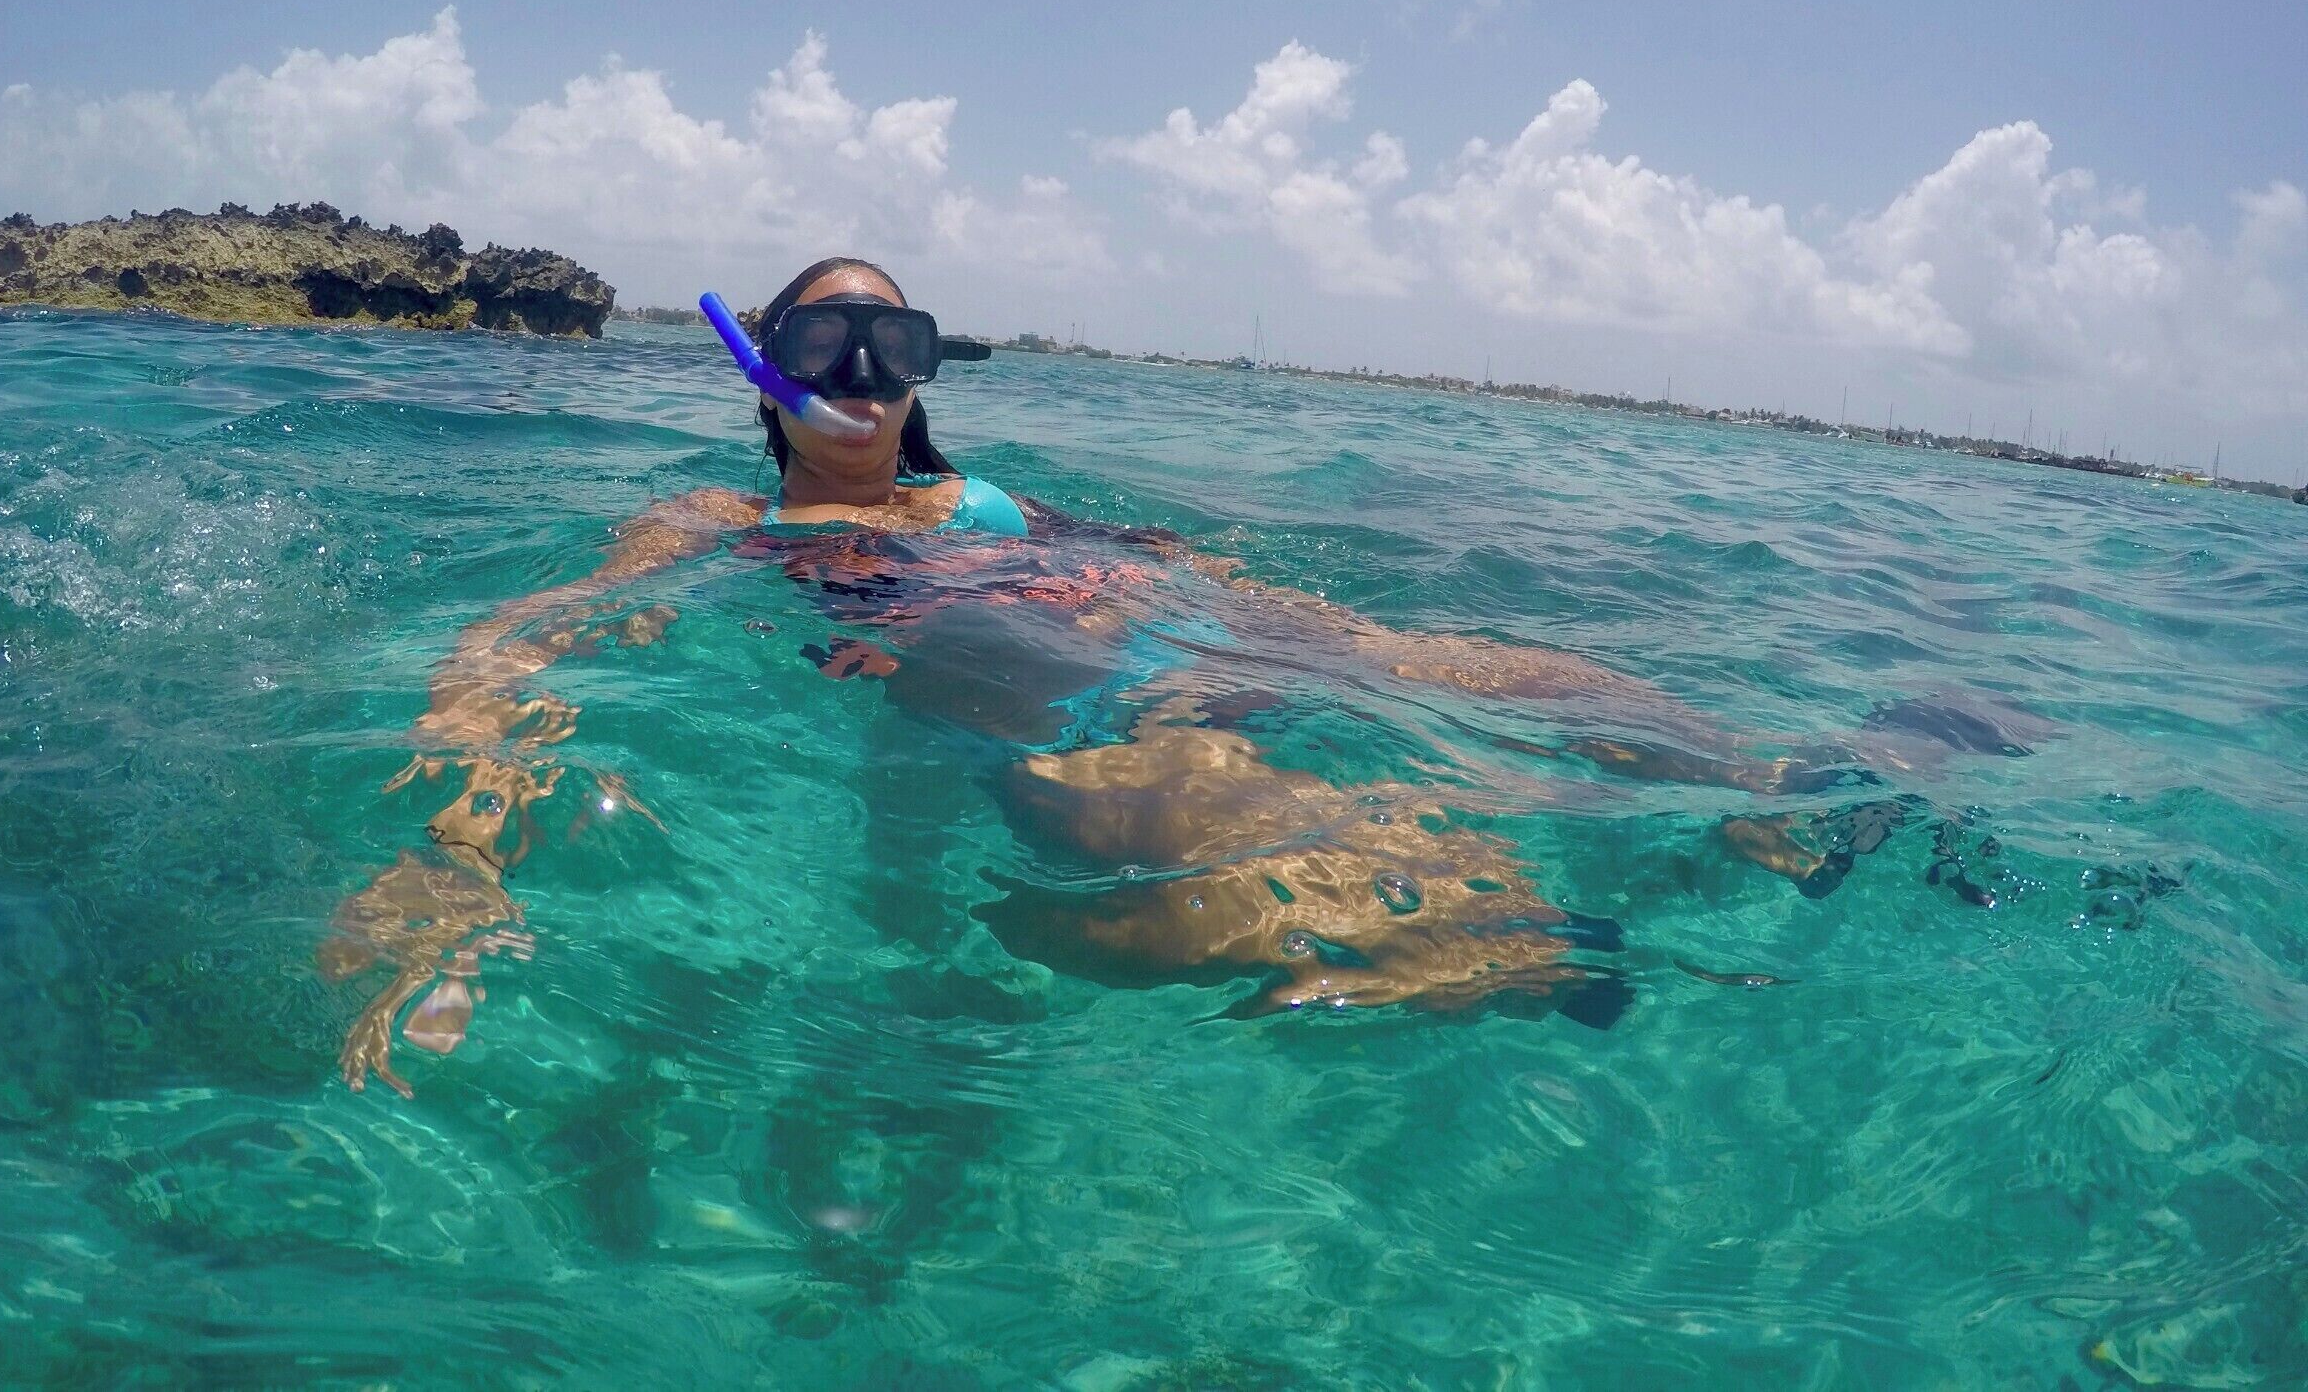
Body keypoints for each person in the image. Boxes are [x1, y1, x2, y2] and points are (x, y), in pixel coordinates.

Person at [326, 256, 1834, 1095]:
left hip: (1135, 603)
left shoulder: (988, 495)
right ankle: (1532, 939)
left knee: (1428, 663)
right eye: (823, 341)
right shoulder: (724, 522)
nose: (859, 374)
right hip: (1050, 670)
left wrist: (1234, 600)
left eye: (890, 342)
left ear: (922, 372)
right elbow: (518, 639)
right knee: (1144, 819)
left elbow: (1143, 563)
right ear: (764, 365)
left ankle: (1783, 791)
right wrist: (458, 845)